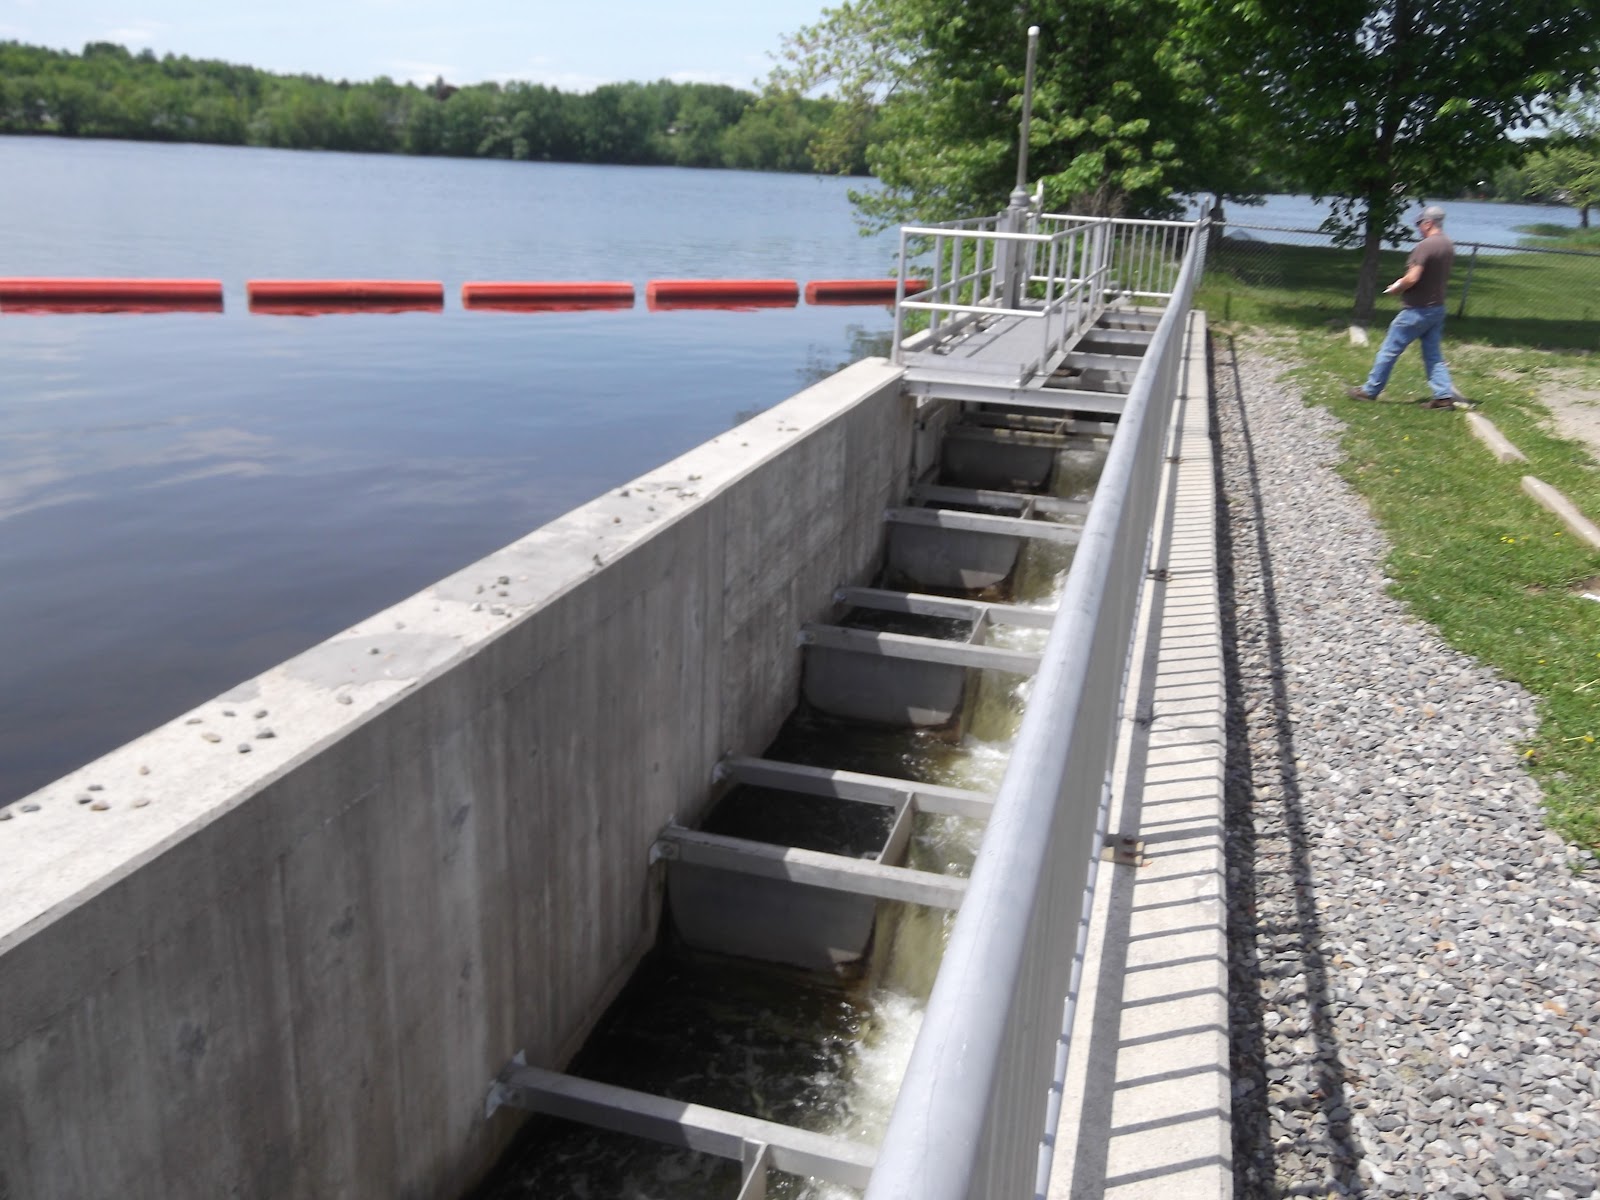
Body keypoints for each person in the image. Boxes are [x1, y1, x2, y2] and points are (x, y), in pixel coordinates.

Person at [1348, 204, 1461, 409]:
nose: (1419, 227)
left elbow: (1413, 277)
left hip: (1417, 310)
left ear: (1429, 223)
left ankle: (1370, 390)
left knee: (1389, 350)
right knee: (1433, 354)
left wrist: (1397, 287)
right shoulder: (1448, 245)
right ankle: (1444, 396)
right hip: (1437, 309)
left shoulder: (1425, 246)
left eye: (1420, 223)